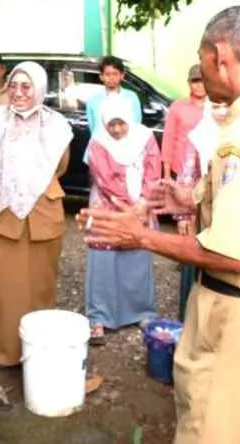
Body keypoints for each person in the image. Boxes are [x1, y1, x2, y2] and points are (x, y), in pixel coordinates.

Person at [79, 6, 240, 443]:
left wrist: (142, 237)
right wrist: (187, 198)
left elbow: (233, 254)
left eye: (201, 61)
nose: (201, 73)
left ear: (220, 55)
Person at [0, 61, 73, 366]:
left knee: (40, 287)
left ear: (39, 89)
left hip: (43, 214)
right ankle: (2, 353)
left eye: (26, 86)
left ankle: (38, 354)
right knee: (1, 288)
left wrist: (32, 183)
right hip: (2, 215)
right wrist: (10, 182)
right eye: (13, 86)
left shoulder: (57, 125)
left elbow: (61, 167)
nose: (18, 93)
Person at [85, 94, 161, 344]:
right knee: (104, 263)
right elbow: (105, 179)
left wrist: (144, 202)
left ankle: (141, 311)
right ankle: (99, 317)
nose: (117, 130)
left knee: (137, 257)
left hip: (141, 205)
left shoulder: (145, 137)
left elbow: (153, 171)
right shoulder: (98, 142)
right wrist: (130, 206)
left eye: (121, 123)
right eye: (111, 124)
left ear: (129, 119)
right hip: (108, 206)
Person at [176, 99, 229, 319]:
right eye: (215, 106)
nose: (222, 111)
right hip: (200, 213)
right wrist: (183, 215)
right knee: (198, 263)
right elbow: (186, 176)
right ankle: (191, 321)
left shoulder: (239, 136)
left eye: (226, 105)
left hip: (230, 215)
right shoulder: (199, 137)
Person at [84, 56, 142, 163]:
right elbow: (93, 128)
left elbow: (136, 125)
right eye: (107, 74)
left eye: (115, 74)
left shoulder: (131, 98)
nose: (111, 78)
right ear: (101, 77)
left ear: (122, 75)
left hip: (125, 153)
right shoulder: (93, 100)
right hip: (99, 153)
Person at [161, 64, 206, 180]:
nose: (200, 85)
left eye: (203, 80)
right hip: (182, 169)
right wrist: (167, 174)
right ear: (189, 83)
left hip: (208, 167)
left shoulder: (216, 107)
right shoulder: (177, 107)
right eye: (195, 81)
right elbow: (168, 139)